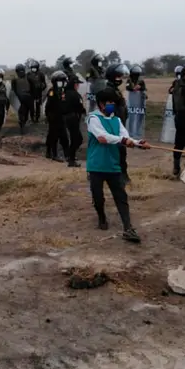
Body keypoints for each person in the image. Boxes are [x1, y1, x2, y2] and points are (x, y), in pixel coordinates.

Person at [86, 88, 149, 243]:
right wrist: (123, 141)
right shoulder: (93, 118)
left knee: (121, 196)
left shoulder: (117, 120)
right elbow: (102, 137)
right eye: (109, 102)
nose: (112, 105)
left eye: (114, 102)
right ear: (101, 104)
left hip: (113, 165)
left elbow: (125, 136)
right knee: (98, 197)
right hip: (96, 165)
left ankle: (128, 228)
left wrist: (137, 143)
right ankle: (101, 217)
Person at [105, 63, 131, 182]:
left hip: (119, 126)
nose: (120, 79)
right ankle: (120, 176)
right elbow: (108, 111)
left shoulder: (115, 91)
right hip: (113, 128)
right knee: (118, 152)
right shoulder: (109, 92)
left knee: (121, 152)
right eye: (118, 77)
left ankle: (122, 174)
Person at [44, 71, 71, 162]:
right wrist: (48, 117)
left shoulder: (63, 91)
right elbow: (48, 106)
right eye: (60, 82)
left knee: (64, 137)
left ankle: (67, 155)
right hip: (54, 117)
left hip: (61, 117)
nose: (62, 84)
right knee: (53, 136)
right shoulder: (52, 92)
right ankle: (53, 154)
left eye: (63, 82)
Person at [63, 73, 87, 167]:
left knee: (77, 138)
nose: (78, 86)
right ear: (74, 84)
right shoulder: (75, 95)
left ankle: (70, 156)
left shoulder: (65, 93)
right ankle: (71, 159)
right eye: (77, 84)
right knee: (76, 139)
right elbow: (80, 107)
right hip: (73, 118)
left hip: (67, 118)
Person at [11, 64, 34, 133]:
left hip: (28, 98)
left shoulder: (29, 78)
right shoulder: (14, 80)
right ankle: (22, 125)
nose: (21, 73)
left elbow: (33, 88)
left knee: (27, 112)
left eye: (22, 71)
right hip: (21, 99)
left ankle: (25, 123)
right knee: (21, 112)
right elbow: (13, 90)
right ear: (17, 72)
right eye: (19, 71)